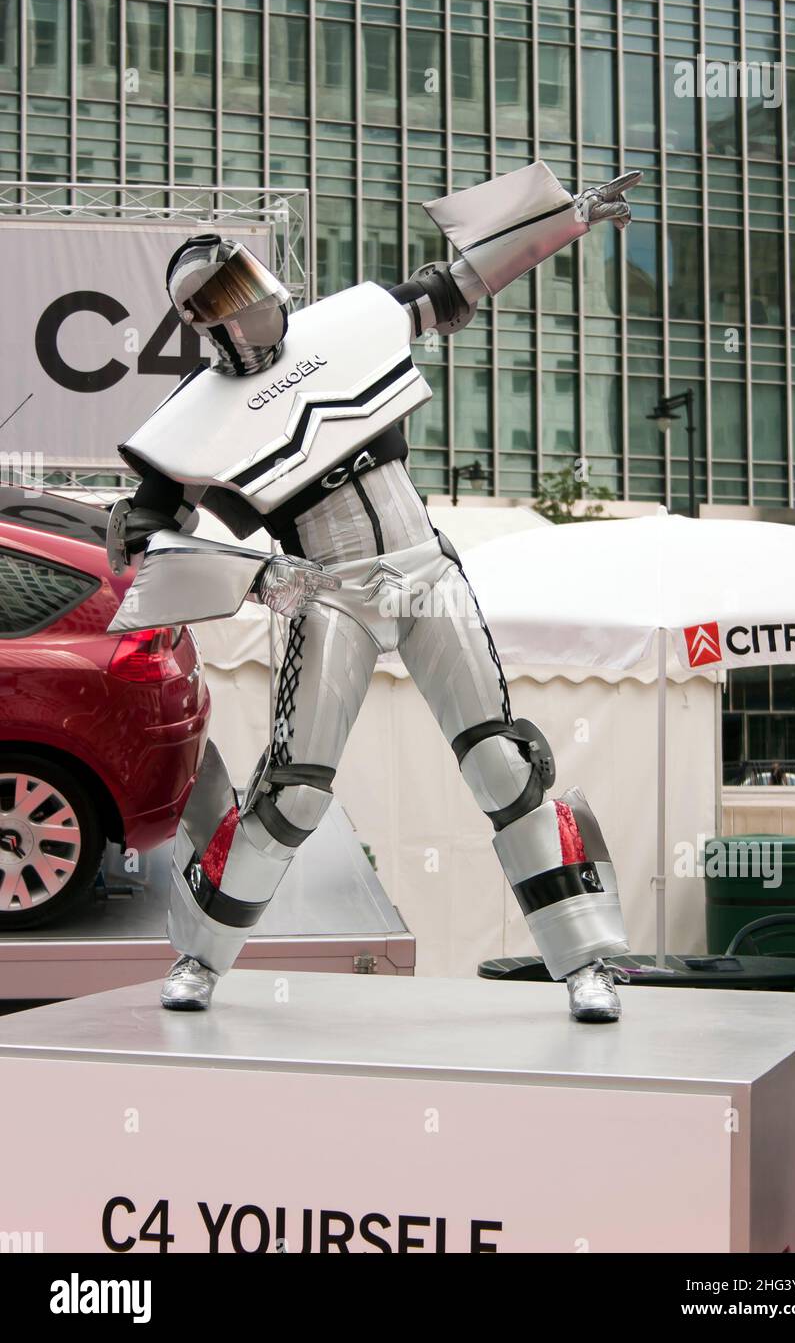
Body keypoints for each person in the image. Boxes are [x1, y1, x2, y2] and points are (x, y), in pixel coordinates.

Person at [107, 163, 641, 1023]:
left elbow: (454, 284)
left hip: (425, 569)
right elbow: (140, 532)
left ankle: (585, 962)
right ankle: (202, 957)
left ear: (267, 278)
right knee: (296, 794)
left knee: (502, 764)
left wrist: (563, 220)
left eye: (242, 285)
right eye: (218, 303)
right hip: (327, 594)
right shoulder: (191, 416)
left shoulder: (347, 323)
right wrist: (257, 577)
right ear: (202, 327)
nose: (243, 309)